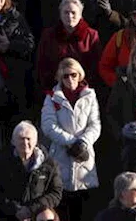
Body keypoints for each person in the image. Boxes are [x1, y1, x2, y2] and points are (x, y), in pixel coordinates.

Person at [40, 57, 101, 221]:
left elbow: (95, 124)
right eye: (65, 76)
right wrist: (70, 141)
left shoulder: (90, 96)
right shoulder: (52, 97)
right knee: (62, 205)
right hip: (61, 155)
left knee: (85, 209)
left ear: (79, 75)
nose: (70, 79)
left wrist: (83, 142)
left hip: (84, 157)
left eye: (73, 75)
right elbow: (48, 125)